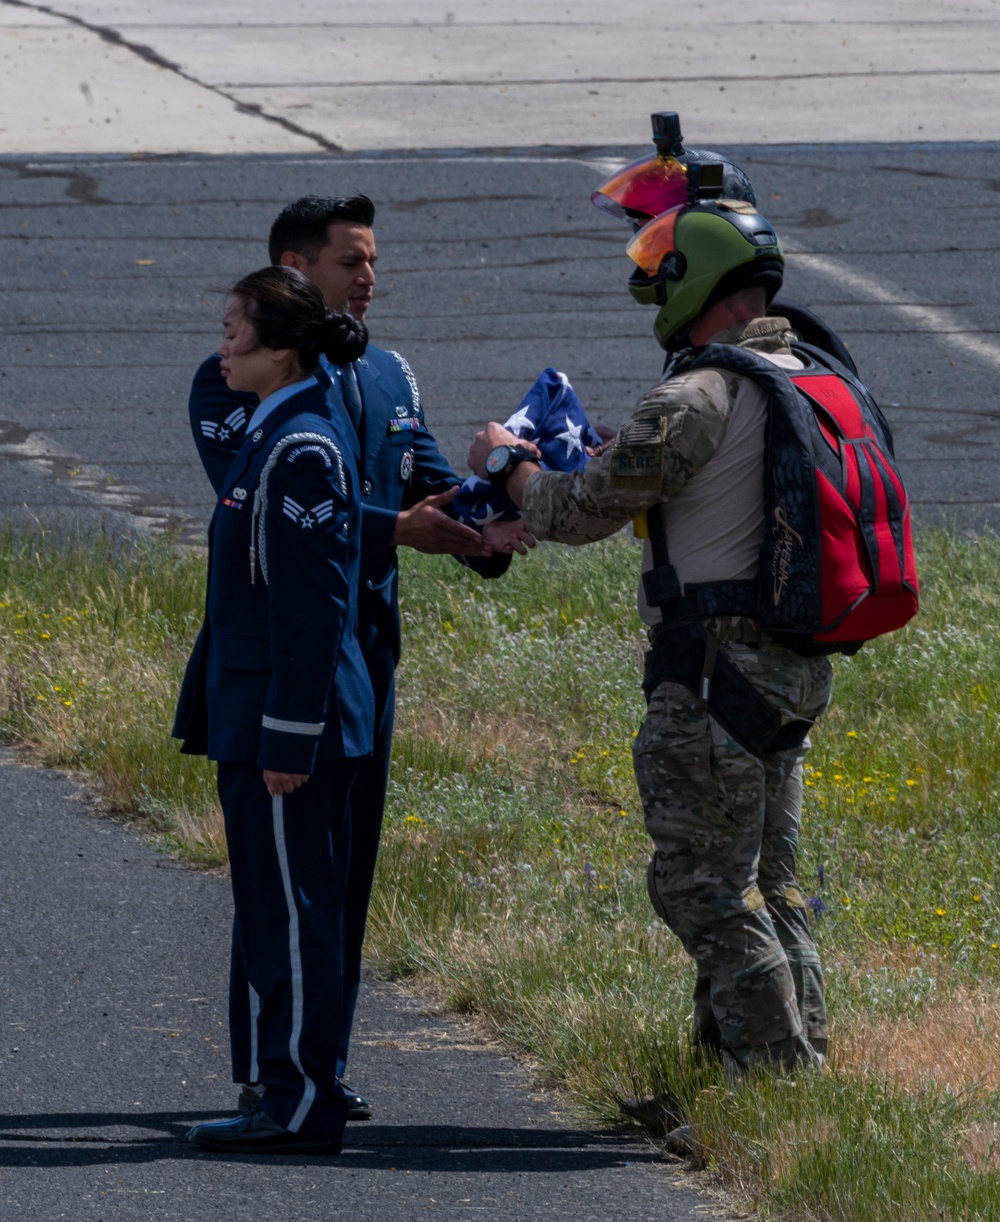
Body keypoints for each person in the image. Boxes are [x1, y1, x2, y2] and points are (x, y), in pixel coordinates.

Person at [469, 195, 832, 1083]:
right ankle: (749, 1076)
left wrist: (502, 464)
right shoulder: (815, 376)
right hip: (791, 664)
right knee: (769, 884)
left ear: (694, 282)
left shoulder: (697, 393)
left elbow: (577, 510)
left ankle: (781, 1083)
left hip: (713, 670)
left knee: (699, 887)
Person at [187, 195, 527, 1123]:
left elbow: (420, 481)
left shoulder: (388, 375)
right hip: (288, 654)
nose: (369, 279)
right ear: (297, 269)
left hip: (360, 655)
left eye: (374, 262)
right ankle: (274, 1072)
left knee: (336, 870)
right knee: (279, 878)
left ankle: (319, 1069)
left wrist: (491, 514)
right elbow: (290, 523)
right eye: (351, 263)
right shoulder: (234, 383)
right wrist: (405, 534)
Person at [175, 266, 373, 1154]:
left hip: (287, 729)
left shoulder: (301, 451)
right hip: (254, 717)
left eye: (235, 329)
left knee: (293, 913)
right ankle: (282, 1090)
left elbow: (314, 607)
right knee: (269, 908)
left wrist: (291, 735)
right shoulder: (273, 436)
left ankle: (302, 1104)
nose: (223, 344)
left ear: (279, 347)